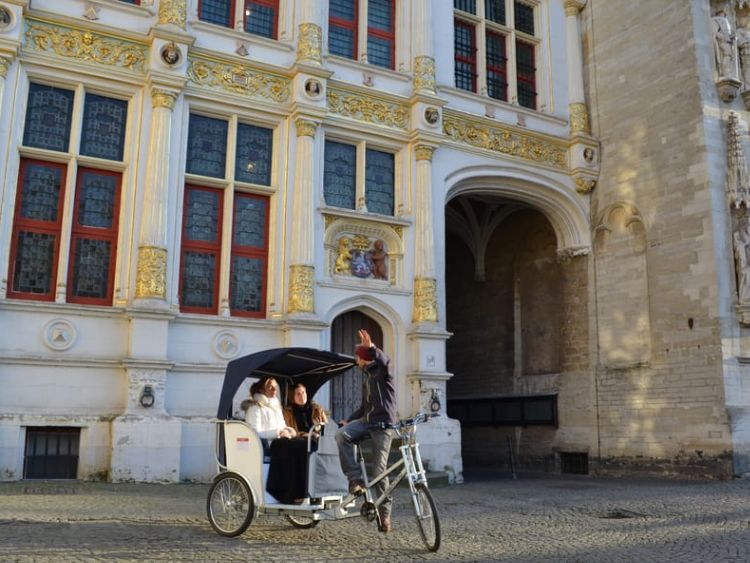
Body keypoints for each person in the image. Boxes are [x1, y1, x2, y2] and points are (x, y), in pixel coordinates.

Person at [335, 329, 397, 533]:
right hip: (367, 421)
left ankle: (385, 514)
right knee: (341, 435)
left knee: (379, 471)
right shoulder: (367, 379)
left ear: (363, 358)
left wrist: (372, 348)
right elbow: (363, 408)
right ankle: (355, 479)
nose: (356, 360)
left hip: (384, 426)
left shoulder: (383, 372)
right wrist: (349, 421)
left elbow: (386, 361)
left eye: (357, 357)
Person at [242, 376, 307, 504]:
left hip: (282, 441)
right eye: (270, 387)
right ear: (262, 389)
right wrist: (278, 433)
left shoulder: (276, 407)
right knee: (293, 447)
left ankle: (302, 491)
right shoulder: (255, 408)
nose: (274, 389)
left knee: (303, 445)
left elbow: (283, 426)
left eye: (275, 386)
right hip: (269, 444)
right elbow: (255, 432)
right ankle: (289, 493)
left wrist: (290, 431)